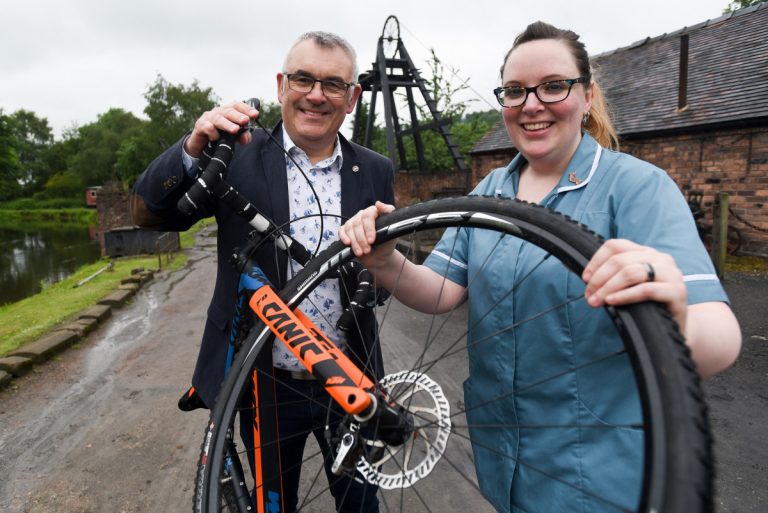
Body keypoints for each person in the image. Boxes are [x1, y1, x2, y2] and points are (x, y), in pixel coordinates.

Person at [339, 21, 742, 513]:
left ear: (588, 95)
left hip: (602, 475)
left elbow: (719, 340)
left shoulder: (638, 188)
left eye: (554, 86)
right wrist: (385, 261)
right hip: (499, 458)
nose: (531, 104)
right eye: (514, 91)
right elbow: (441, 290)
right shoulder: (487, 193)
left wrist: (675, 309)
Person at [131, 31, 393, 513]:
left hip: (351, 372)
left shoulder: (375, 169)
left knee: (361, 502)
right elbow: (149, 214)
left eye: (333, 83)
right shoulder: (235, 156)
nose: (316, 94)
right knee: (273, 503)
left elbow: (379, 266)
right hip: (265, 379)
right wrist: (192, 145)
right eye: (303, 78)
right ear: (280, 85)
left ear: (352, 97)